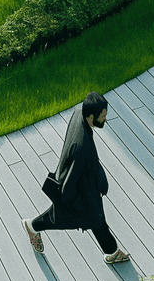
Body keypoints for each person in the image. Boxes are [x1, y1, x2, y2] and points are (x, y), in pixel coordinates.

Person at [23, 91, 130, 266]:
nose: (105, 119)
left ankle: (112, 252)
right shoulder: (82, 148)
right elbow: (70, 182)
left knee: (97, 219)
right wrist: (74, 205)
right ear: (90, 117)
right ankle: (32, 226)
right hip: (79, 193)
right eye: (102, 116)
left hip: (87, 185)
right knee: (68, 218)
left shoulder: (78, 113)